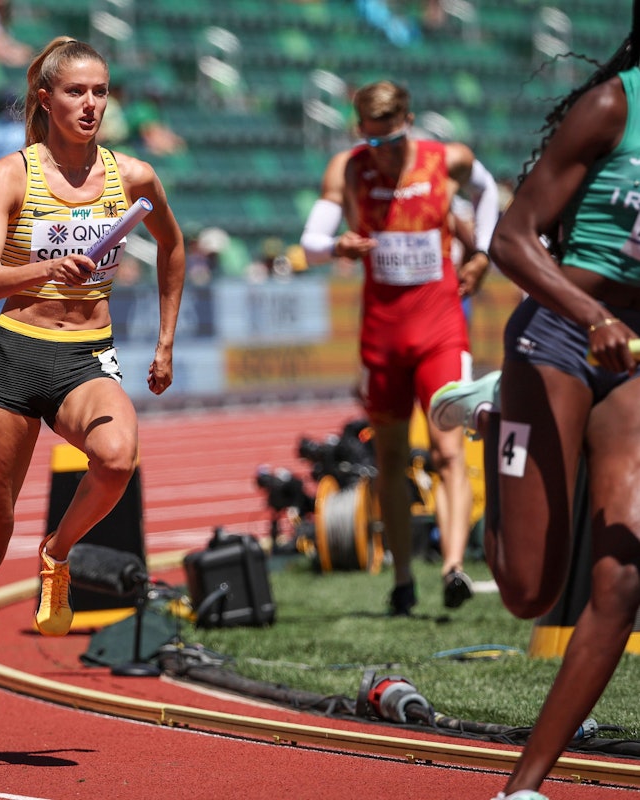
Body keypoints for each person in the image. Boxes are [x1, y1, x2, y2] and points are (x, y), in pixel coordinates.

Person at [0, 36, 185, 760]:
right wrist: (42, 270)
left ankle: (58, 553)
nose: (91, 104)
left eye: (100, 91)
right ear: (44, 99)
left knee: (117, 455)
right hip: (13, 354)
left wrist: (163, 341)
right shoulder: (11, 175)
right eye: (75, 92)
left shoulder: (131, 176)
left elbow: (172, 246)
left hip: (85, 356)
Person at [429, 21, 640, 800]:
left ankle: (520, 790)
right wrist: (592, 317)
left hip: (632, 356)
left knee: (621, 578)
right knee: (526, 590)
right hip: (560, 333)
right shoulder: (613, 106)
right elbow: (512, 240)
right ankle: (492, 411)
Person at [299, 80, 497, 615]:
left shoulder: (447, 159)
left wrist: (482, 250)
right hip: (383, 334)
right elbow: (311, 242)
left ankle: (454, 567)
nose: (381, 155)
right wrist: (334, 245)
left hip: (440, 330)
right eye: (372, 142)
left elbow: (489, 193)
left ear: (409, 122)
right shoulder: (349, 167)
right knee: (388, 456)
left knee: (447, 450)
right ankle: (404, 579)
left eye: (390, 143)